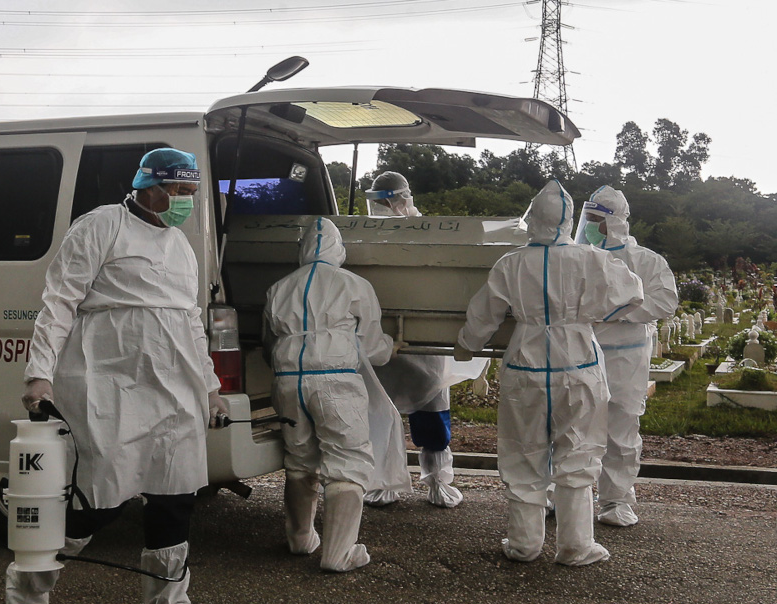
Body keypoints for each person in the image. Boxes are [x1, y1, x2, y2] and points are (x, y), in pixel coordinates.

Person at [8, 148, 226, 604]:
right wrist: (38, 375)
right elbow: (59, 300)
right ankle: (30, 583)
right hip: (109, 380)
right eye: (177, 191)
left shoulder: (181, 247)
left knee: (175, 497)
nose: (183, 203)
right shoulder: (101, 225)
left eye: (189, 194)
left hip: (174, 386)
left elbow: (189, 321)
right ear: (146, 184)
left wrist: (210, 386)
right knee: (97, 500)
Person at [455, 180, 644, 566]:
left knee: (524, 452)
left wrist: (465, 347)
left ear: (533, 219)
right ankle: (576, 546)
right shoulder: (591, 258)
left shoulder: (510, 262)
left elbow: (482, 316)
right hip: (579, 364)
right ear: (570, 219)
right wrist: (591, 316)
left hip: (526, 363)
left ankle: (525, 544)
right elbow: (633, 293)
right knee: (580, 452)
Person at [263, 216, 402, 572]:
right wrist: (391, 347)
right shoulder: (354, 284)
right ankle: (338, 555)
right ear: (339, 249)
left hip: (287, 381)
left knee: (299, 460)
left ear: (303, 250)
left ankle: (300, 539)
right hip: (336, 381)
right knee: (347, 461)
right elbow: (372, 347)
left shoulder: (278, 288)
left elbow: (268, 344)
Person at [362, 172, 488, 508]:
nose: (382, 210)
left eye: (385, 202)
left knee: (427, 414)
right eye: (377, 203)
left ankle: (435, 481)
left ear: (400, 200)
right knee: (383, 414)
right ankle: (390, 481)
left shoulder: (427, 234)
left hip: (417, 346)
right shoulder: (364, 236)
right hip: (389, 342)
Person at [575, 186, 678, 527]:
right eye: (587, 219)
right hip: (583, 351)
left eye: (596, 220)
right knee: (572, 424)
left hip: (627, 357)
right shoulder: (576, 256)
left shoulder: (646, 261)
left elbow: (665, 302)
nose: (589, 227)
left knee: (621, 427)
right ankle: (564, 495)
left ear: (615, 221)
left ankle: (616, 500)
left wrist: (619, 311)